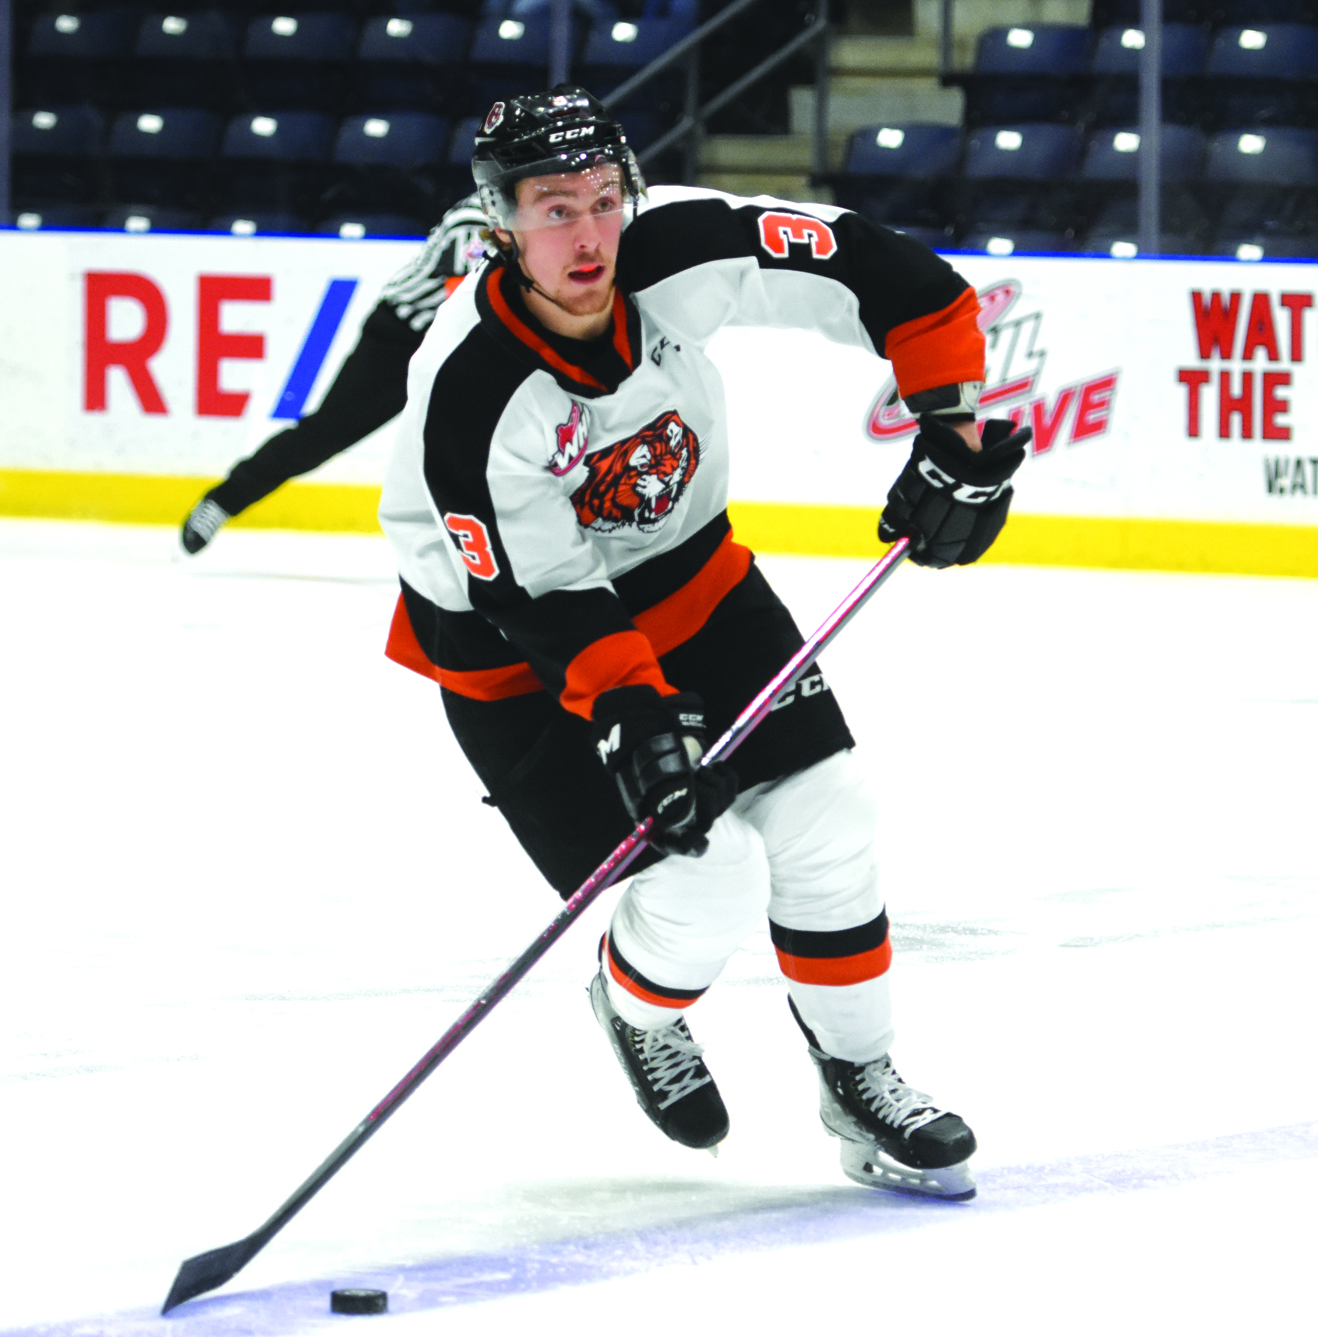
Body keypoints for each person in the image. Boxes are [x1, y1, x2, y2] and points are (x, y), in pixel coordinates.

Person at [378, 87, 1027, 1199]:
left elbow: (878, 268)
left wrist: (950, 422)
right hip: (517, 655)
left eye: (600, 201)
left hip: (695, 587)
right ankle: (636, 1007)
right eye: (550, 210)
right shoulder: (470, 389)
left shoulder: (676, 244)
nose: (586, 236)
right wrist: (631, 710)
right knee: (703, 873)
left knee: (830, 818)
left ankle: (859, 1075)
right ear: (500, 226)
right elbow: (531, 595)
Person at [178, 195, 493, 554]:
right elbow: (466, 302)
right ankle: (222, 501)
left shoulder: (542, 215)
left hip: (466, 340)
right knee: (324, 434)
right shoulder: (475, 219)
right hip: (403, 340)